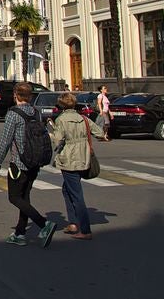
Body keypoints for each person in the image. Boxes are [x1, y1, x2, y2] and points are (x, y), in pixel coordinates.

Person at [0, 82, 55, 247]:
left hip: (19, 163)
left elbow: (5, 140)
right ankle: (20, 233)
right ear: (30, 96)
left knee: (14, 197)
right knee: (24, 197)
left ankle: (44, 224)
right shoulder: (36, 112)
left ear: (15, 95)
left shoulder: (13, 114)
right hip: (34, 161)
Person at [50, 92, 107, 240]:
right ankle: (73, 223)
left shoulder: (61, 119)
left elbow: (57, 141)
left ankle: (85, 229)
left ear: (61, 105)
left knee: (76, 195)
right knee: (67, 190)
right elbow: (100, 133)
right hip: (83, 158)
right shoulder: (83, 118)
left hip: (69, 159)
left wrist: (50, 133)